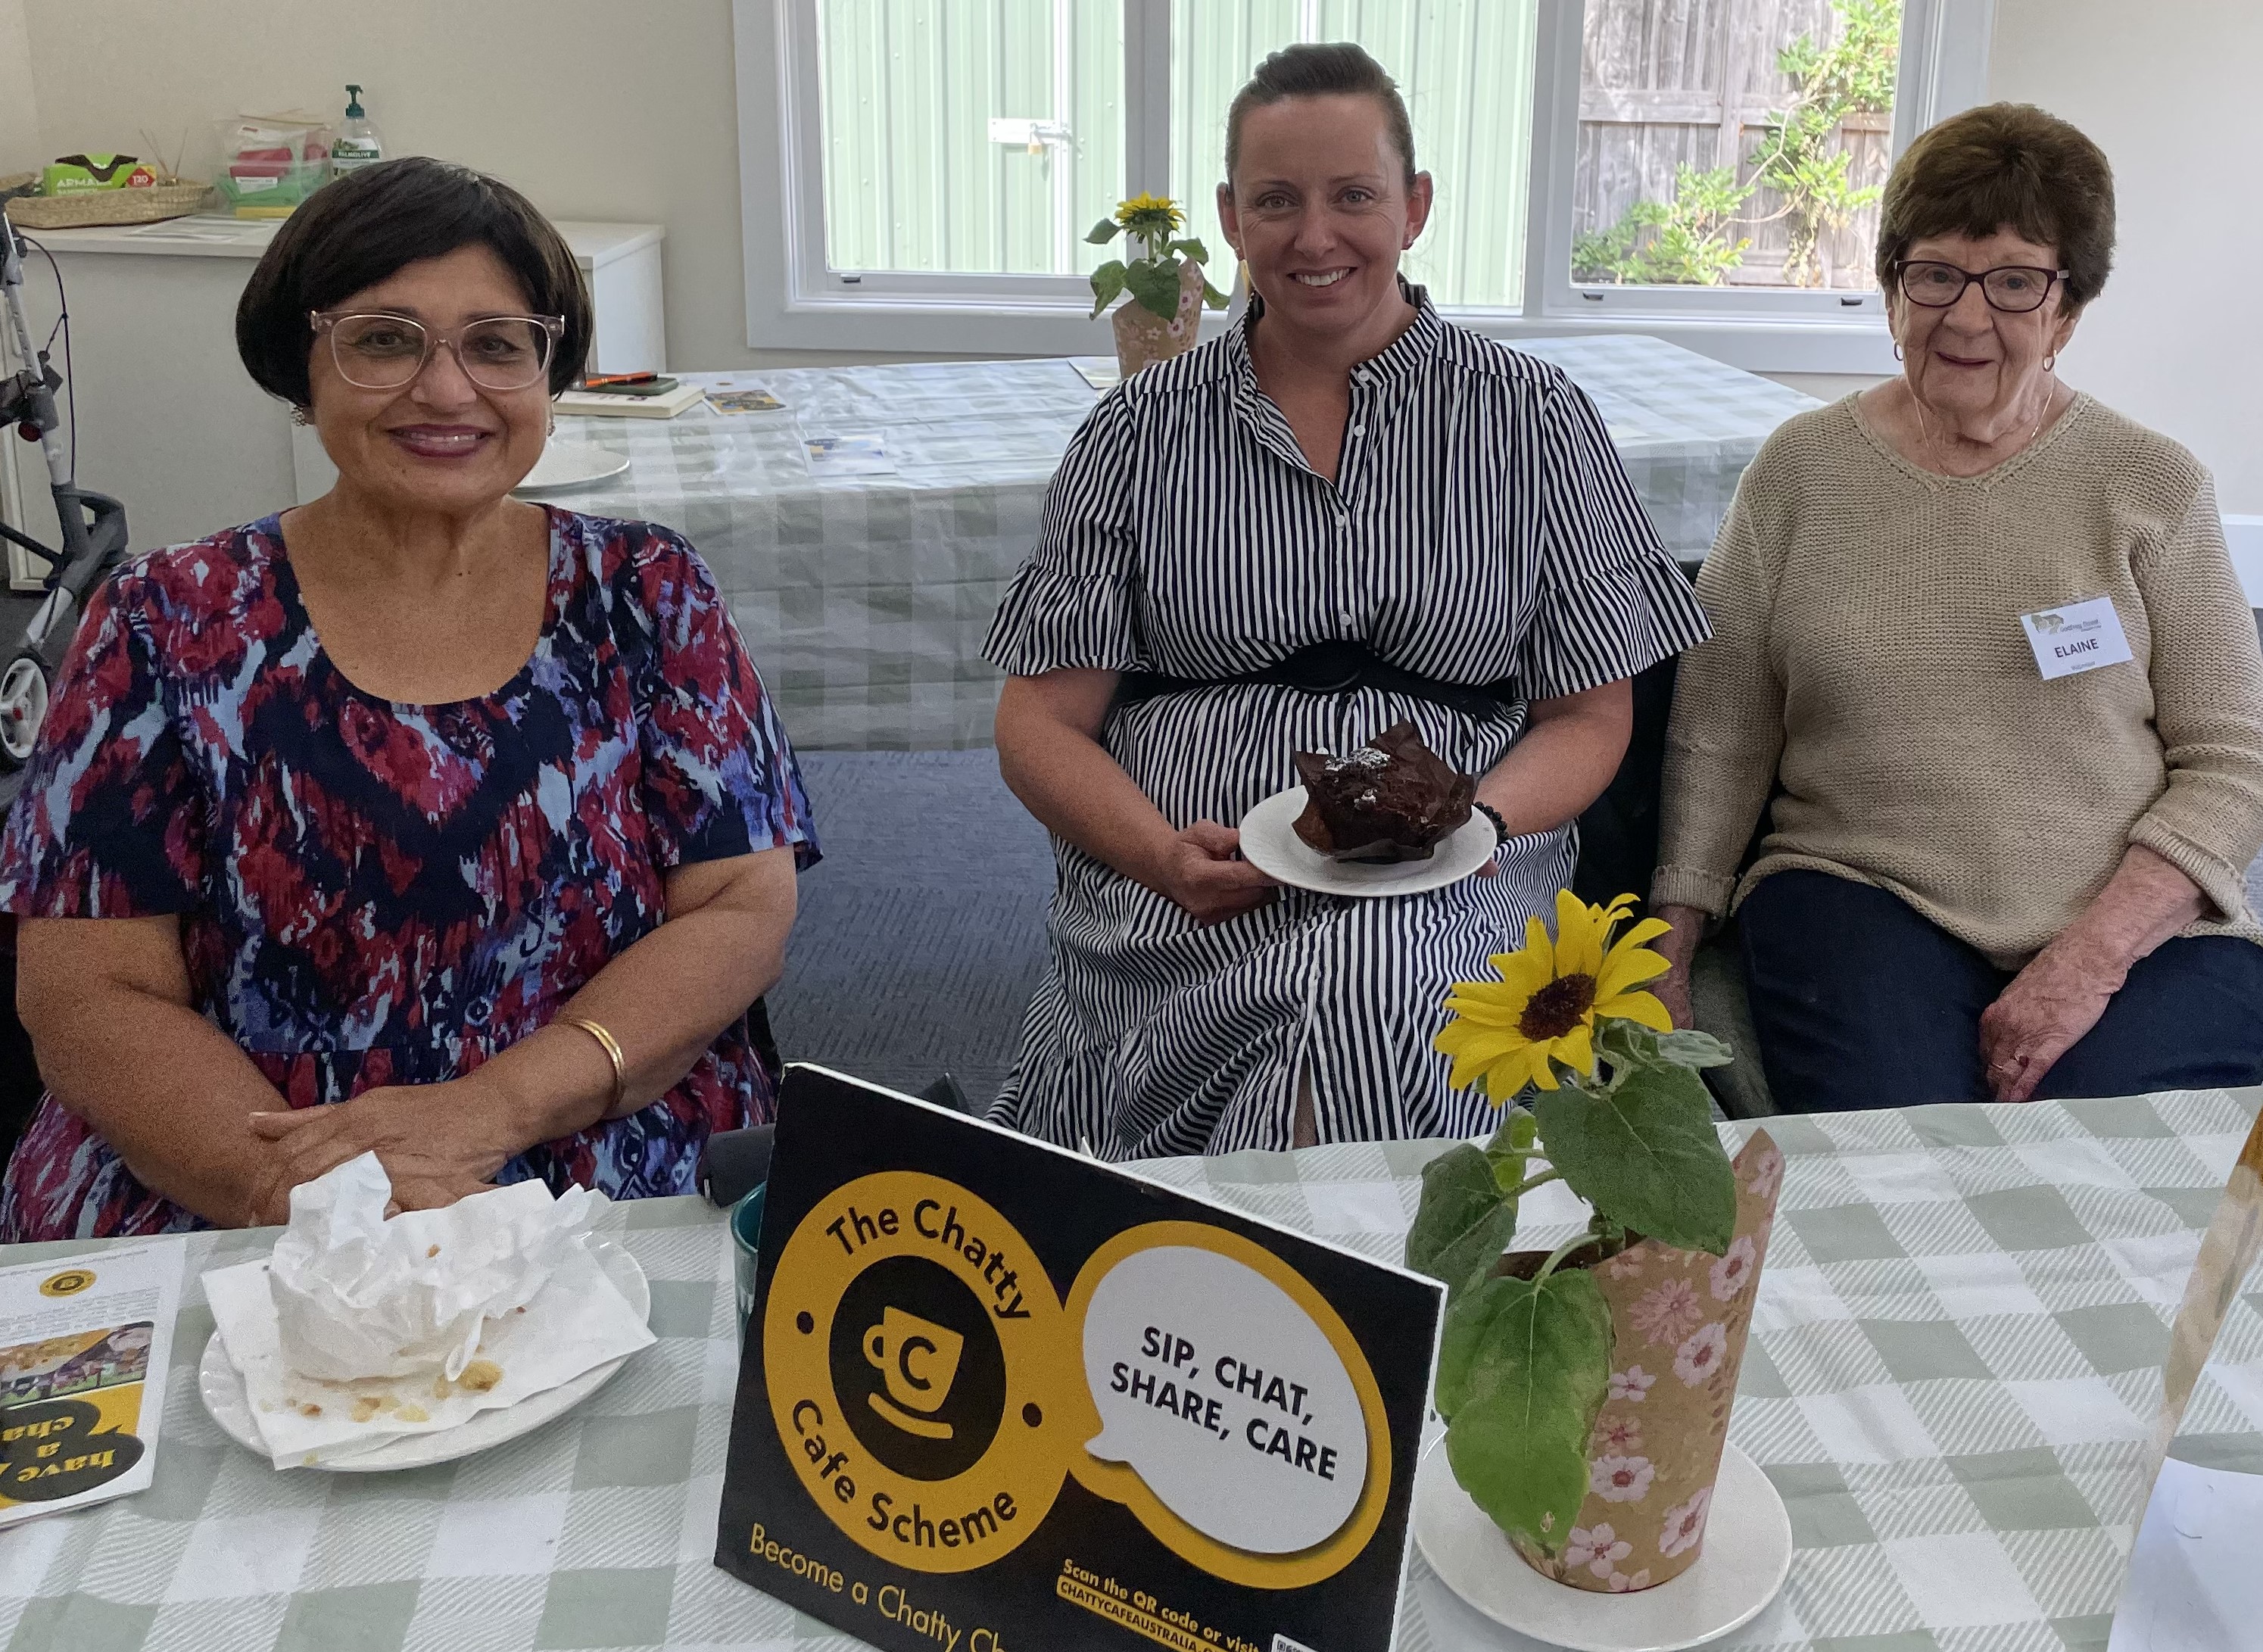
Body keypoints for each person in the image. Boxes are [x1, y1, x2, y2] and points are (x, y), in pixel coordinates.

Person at [0, 157, 817, 1238]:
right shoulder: (165, 618)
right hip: (238, 1157)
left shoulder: (646, 593)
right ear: (304, 364)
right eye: (384, 339)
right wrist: (312, 1193)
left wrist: (486, 1113)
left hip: (598, 1136)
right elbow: (88, 994)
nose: (446, 390)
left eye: (496, 344)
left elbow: (738, 907)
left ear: (547, 371)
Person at [985, 44, 1709, 1158]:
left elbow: (1587, 717)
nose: (1313, 237)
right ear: (1230, 219)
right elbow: (1038, 725)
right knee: (1300, 1009)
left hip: (1459, 869)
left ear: (1414, 208)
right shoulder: (1137, 432)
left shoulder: (1535, 421)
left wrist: (1474, 831)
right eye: (1276, 201)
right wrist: (1153, 855)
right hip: (1190, 871)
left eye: (1353, 196)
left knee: (1372, 982)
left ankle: (1259, 1289)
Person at [1651, 103, 2263, 1111]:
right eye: (1932, 273)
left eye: (2016, 282)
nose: (1966, 318)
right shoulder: (1798, 472)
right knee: (1904, 1140)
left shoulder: (2151, 484)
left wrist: (2090, 959)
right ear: (1890, 289)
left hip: (2132, 918)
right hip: (1858, 892)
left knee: (2108, 1142)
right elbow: (1721, 733)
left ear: (2068, 309)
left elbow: (2233, 762)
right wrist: (1668, 948)